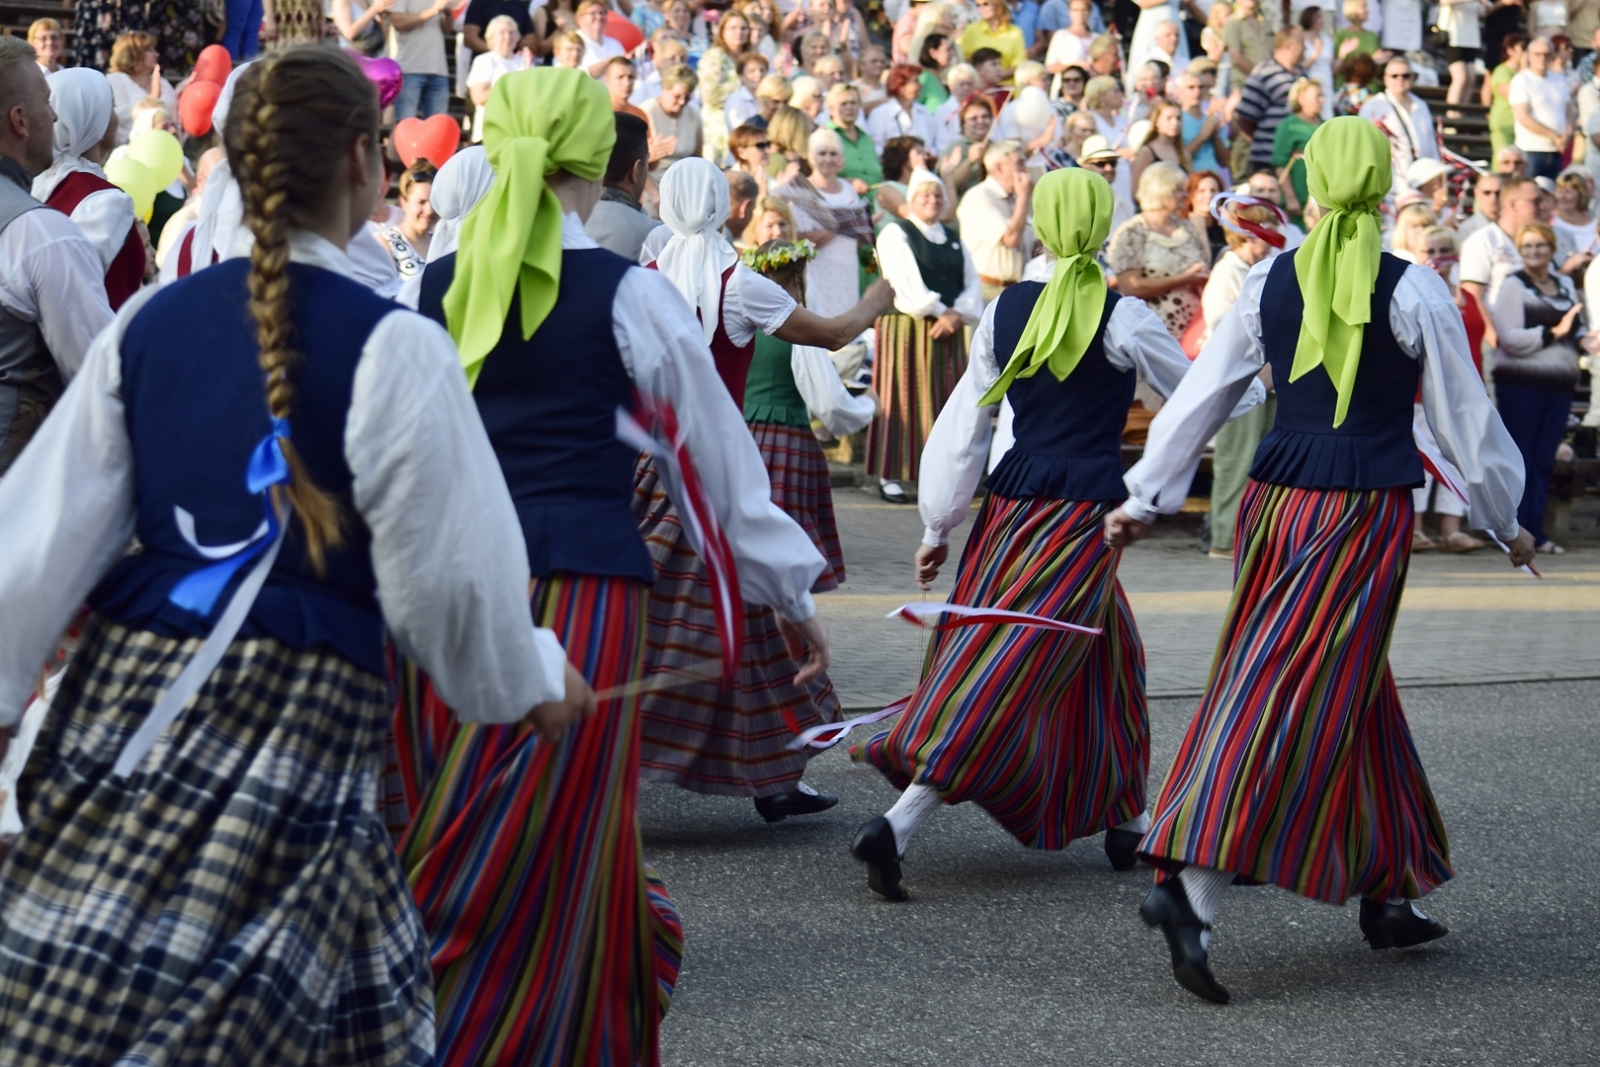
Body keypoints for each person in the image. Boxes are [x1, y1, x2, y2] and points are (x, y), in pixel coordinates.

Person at [0, 47, 589, 1064]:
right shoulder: (395, 345)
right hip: (297, 708)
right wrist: (529, 675)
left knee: (121, 987)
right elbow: (447, 583)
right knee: (229, 1020)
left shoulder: (151, 322)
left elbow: (33, 542)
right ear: (364, 162)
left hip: (129, 694)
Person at [405, 70, 813, 1063]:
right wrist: (787, 593)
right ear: (594, 168)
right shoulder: (631, 293)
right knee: (557, 818)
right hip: (582, 588)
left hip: (455, 587)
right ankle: (535, 1016)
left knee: (473, 810)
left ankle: (512, 1005)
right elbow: (715, 459)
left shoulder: (431, 283)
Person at [1111, 117, 1534, 1005]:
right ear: (1382, 191)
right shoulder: (1413, 288)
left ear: (1311, 190)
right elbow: (1465, 417)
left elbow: (1201, 401)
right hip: (1363, 508)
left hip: (1276, 502)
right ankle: (1191, 892)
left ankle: (1390, 890)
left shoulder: (1267, 281)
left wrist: (1145, 496)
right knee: (1301, 685)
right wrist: (1505, 518)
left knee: (1340, 680)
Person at [852, 168, 1260, 901]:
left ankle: (1128, 818)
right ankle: (901, 818)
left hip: (1010, 511)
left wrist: (937, 523)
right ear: (1102, 226)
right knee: (1014, 662)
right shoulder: (1124, 316)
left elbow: (964, 424)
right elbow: (1201, 396)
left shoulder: (1009, 311)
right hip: (1084, 520)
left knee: (1106, 659)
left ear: (1042, 223)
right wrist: (1255, 375)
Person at [630, 157, 893, 819]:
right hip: (715, 466)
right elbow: (832, 334)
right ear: (723, 205)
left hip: (647, 470)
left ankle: (751, 773)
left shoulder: (639, 282)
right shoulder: (740, 286)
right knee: (751, 624)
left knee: (649, 622)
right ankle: (774, 773)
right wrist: (882, 294)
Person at [0, 40, 114, 474]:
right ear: (21, 121)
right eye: (47, 104)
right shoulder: (41, 233)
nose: (55, 116)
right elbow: (100, 375)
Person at [869, 168, 983, 502]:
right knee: (901, 397)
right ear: (912, 200)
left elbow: (971, 282)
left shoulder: (952, 237)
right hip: (907, 327)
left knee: (945, 400)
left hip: (947, 328)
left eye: (937, 196)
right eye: (924, 196)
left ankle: (937, 475)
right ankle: (890, 473)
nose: (932, 201)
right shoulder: (896, 232)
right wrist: (940, 311)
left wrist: (957, 314)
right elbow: (902, 279)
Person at [1489, 219, 1588, 554]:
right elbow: (1510, 338)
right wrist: (1553, 333)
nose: (1534, 251)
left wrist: (1584, 338)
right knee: (1522, 459)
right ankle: (1517, 532)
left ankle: (1538, 536)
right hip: (1521, 386)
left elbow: (1577, 330)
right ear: (1520, 250)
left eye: (1540, 245)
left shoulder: (1564, 284)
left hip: (1559, 386)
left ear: (1552, 248)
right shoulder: (1513, 285)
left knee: (1545, 459)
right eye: (1527, 246)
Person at [1201, 194, 1285, 558]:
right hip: (1237, 379)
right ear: (1248, 234)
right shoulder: (1227, 272)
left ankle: (1254, 536)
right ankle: (1225, 537)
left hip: (1267, 378)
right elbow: (1226, 332)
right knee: (1237, 457)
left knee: (1264, 457)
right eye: (1265, 229)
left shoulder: (1261, 270)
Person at [31, 69, 144, 313]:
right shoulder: (104, 202)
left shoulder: (35, 182)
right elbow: (74, 301)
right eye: (111, 107)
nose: (116, 117)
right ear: (95, 119)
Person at [1411, 225, 1489, 552]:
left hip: (1464, 389)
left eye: (1445, 249)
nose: (1438, 257)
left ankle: (1451, 529)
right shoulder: (1412, 292)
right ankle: (1414, 529)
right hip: (1421, 389)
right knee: (1423, 458)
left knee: (1463, 458)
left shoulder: (1467, 296)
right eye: (1430, 250)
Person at [773, 127, 874, 317]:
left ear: (841, 159)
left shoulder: (848, 189)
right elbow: (798, 240)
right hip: (816, 270)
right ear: (811, 157)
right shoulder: (800, 191)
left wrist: (864, 228)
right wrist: (842, 225)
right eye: (822, 153)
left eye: (833, 154)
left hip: (846, 269)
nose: (828, 159)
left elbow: (855, 236)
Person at [1109, 162, 1210, 348]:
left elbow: (1204, 268)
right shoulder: (1132, 232)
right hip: (1155, 335)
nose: (1186, 195)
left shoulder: (1186, 227)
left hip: (1197, 333)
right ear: (1162, 192)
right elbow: (1131, 287)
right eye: (1180, 189)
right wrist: (1183, 278)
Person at [958, 139, 1036, 302]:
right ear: (999, 167)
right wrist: (1023, 197)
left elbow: (1034, 244)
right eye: (1019, 163)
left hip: (1018, 290)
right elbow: (1011, 239)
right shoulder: (978, 196)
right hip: (988, 290)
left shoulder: (1017, 198)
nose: (1025, 169)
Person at [1359, 55, 1441, 195]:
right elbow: (1363, 146)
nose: (1400, 80)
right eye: (1394, 76)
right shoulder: (1373, 106)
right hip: (1390, 184)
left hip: (1421, 180)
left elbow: (1431, 143)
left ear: (1413, 78)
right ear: (1385, 79)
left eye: (1405, 76)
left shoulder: (1421, 105)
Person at [1234, 28, 1306, 177]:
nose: (1305, 48)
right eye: (1302, 43)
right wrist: (1265, 140)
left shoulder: (1302, 73)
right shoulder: (1264, 72)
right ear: (1289, 46)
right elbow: (1244, 117)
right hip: (1268, 158)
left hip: (1297, 159)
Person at [1460, 174, 1540, 306]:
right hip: (1499, 325)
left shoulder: (1538, 239)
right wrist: (1490, 328)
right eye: (1535, 202)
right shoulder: (1481, 241)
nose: (1542, 207)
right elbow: (1472, 297)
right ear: (1513, 205)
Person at [1510, 37, 1572, 180]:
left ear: (1552, 56)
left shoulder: (1559, 79)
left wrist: (1566, 135)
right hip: (1531, 150)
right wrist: (1554, 136)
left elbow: (1569, 112)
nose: (1542, 58)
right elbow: (1523, 117)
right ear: (1529, 56)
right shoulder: (1522, 80)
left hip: (1557, 150)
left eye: (1546, 54)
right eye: (1538, 54)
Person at [104, 33, 178, 146]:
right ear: (133, 54)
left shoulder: (162, 82)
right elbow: (117, 115)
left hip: (167, 145)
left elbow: (176, 113)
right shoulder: (116, 79)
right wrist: (151, 98)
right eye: (150, 50)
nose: (157, 54)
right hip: (129, 147)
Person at [466, 15, 531, 140]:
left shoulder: (525, 62)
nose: (508, 37)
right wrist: (515, 87)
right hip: (491, 133)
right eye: (502, 32)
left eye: (511, 33)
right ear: (491, 37)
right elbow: (479, 97)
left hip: (519, 133)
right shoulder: (484, 60)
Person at [698, 8, 750, 163]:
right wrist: (742, 83)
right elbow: (710, 94)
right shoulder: (714, 56)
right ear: (722, 32)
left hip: (746, 124)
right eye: (733, 28)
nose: (738, 32)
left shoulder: (751, 58)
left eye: (743, 28)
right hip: (718, 130)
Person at [387, 0, 452, 120]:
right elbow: (397, 22)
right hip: (410, 69)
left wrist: (448, 14)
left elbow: (447, 29)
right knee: (405, 128)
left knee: (437, 130)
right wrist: (433, 10)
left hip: (439, 70)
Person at [1272, 77, 1323, 227]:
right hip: (1298, 198)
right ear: (1301, 99)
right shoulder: (1289, 126)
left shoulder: (1326, 124)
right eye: (1317, 96)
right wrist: (1290, 197)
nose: (1322, 100)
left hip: (1320, 199)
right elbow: (1280, 164)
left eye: (1322, 96)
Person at [375, 160, 436, 282]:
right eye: (421, 202)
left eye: (434, 202)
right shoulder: (385, 243)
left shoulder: (441, 242)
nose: (429, 210)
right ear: (404, 202)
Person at [644, 65, 703, 180]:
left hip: (685, 179)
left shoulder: (694, 115)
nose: (682, 102)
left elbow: (698, 156)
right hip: (654, 180)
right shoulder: (646, 112)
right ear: (664, 88)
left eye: (687, 97)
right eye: (677, 96)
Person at [867, 63, 941, 153]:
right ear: (901, 86)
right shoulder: (881, 114)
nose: (921, 85)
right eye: (916, 81)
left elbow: (933, 143)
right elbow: (876, 148)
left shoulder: (924, 112)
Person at [827, 82, 884, 191]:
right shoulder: (826, 137)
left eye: (853, 103)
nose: (849, 108)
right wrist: (849, 183)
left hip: (874, 198)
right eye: (843, 104)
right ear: (832, 109)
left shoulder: (865, 137)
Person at [939, 93, 997, 197]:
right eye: (973, 118)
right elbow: (949, 186)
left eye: (985, 116)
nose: (981, 121)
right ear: (963, 123)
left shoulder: (996, 147)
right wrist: (969, 162)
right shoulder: (955, 147)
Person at [1176, 70, 1227, 180]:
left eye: (1201, 87)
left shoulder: (1210, 119)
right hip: (1189, 181)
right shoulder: (1176, 119)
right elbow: (1178, 158)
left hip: (1213, 180)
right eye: (1191, 87)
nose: (1197, 92)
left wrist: (1216, 136)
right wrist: (1202, 136)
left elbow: (1225, 162)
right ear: (1180, 91)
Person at [1130, 101, 1190, 194]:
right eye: (1169, 118)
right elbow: (1135, 193)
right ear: (1157, 121)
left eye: (1178, 118)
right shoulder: (1147, 152)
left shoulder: (1184, 154)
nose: (1175, 123)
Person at [962, 0, 1029, 82]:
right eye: (978, 5)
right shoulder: (971, 30)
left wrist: (995, 76)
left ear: (998, 4)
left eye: (985, 4)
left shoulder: (1015, 32)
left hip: (1008, 88)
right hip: (980, 88)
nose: (981, 9)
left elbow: (1018, 63)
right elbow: (965, 59)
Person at [1485, 32, 1526, 157]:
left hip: (1518, 125)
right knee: (1503, 159)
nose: (1525, 53)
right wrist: (1525, 69)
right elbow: (1512, 93)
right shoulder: (1502, 70)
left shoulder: (1523, 73)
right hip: (1504, 123)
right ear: (1510, 50)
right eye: (1522, 48)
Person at [1438, 0, 1486, 106]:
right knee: (1460, 77)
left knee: (1471, 78)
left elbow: (1484, 11)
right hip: (1454, 39)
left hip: (1471, 40)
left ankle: (1462, 111)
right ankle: (1452, 113)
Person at [1223, 0, 1270, 92]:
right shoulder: (1233, 22)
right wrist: (1257, 78)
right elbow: (1236, 58)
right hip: (1244, 83)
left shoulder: (1266, 20)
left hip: (1269, 81)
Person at [461, 0, 536, 55]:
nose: (507, 36)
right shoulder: (479, 2)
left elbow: (532, 42)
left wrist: (512, 41)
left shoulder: (520, 6)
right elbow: (469, 38)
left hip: (513, 65)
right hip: (486, 63)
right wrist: (497, 53)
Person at [1457, 170, 1502, 239]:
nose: (1493, 198)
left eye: (1498, 193)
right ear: (1476, 193)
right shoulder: (1467, 229)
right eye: (1487, 193)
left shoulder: (1511, 226)